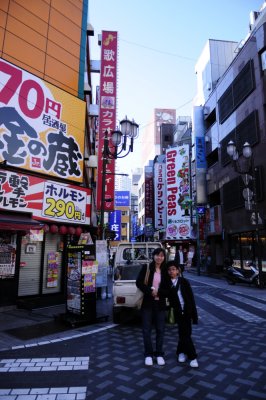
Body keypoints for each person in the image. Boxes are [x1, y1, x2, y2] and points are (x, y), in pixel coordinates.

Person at [136, 248, 168, 366]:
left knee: (160, 329)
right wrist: (150, 291)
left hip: (160, 304)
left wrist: (160, 292)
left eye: (162, 256)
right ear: (153, 256)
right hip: (148, 303)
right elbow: (139, 282)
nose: (159, 258)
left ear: (164, 257)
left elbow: (169, 287)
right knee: (146, 329)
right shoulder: (147, 268)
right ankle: (148, 354)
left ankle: (159, 353)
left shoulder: (166, 270)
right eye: (157, 255)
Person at [166, 260, 199, 368]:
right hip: (177, 312)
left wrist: (194, 315)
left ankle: (181, 352)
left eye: (174, 269)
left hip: (187, 310)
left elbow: (191, 299)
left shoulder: (184, 282)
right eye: (170, 270)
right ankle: (193, 357)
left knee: (186, 334)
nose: (172, 272)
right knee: (184, 334)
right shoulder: (166, 283)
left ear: (178, 271)